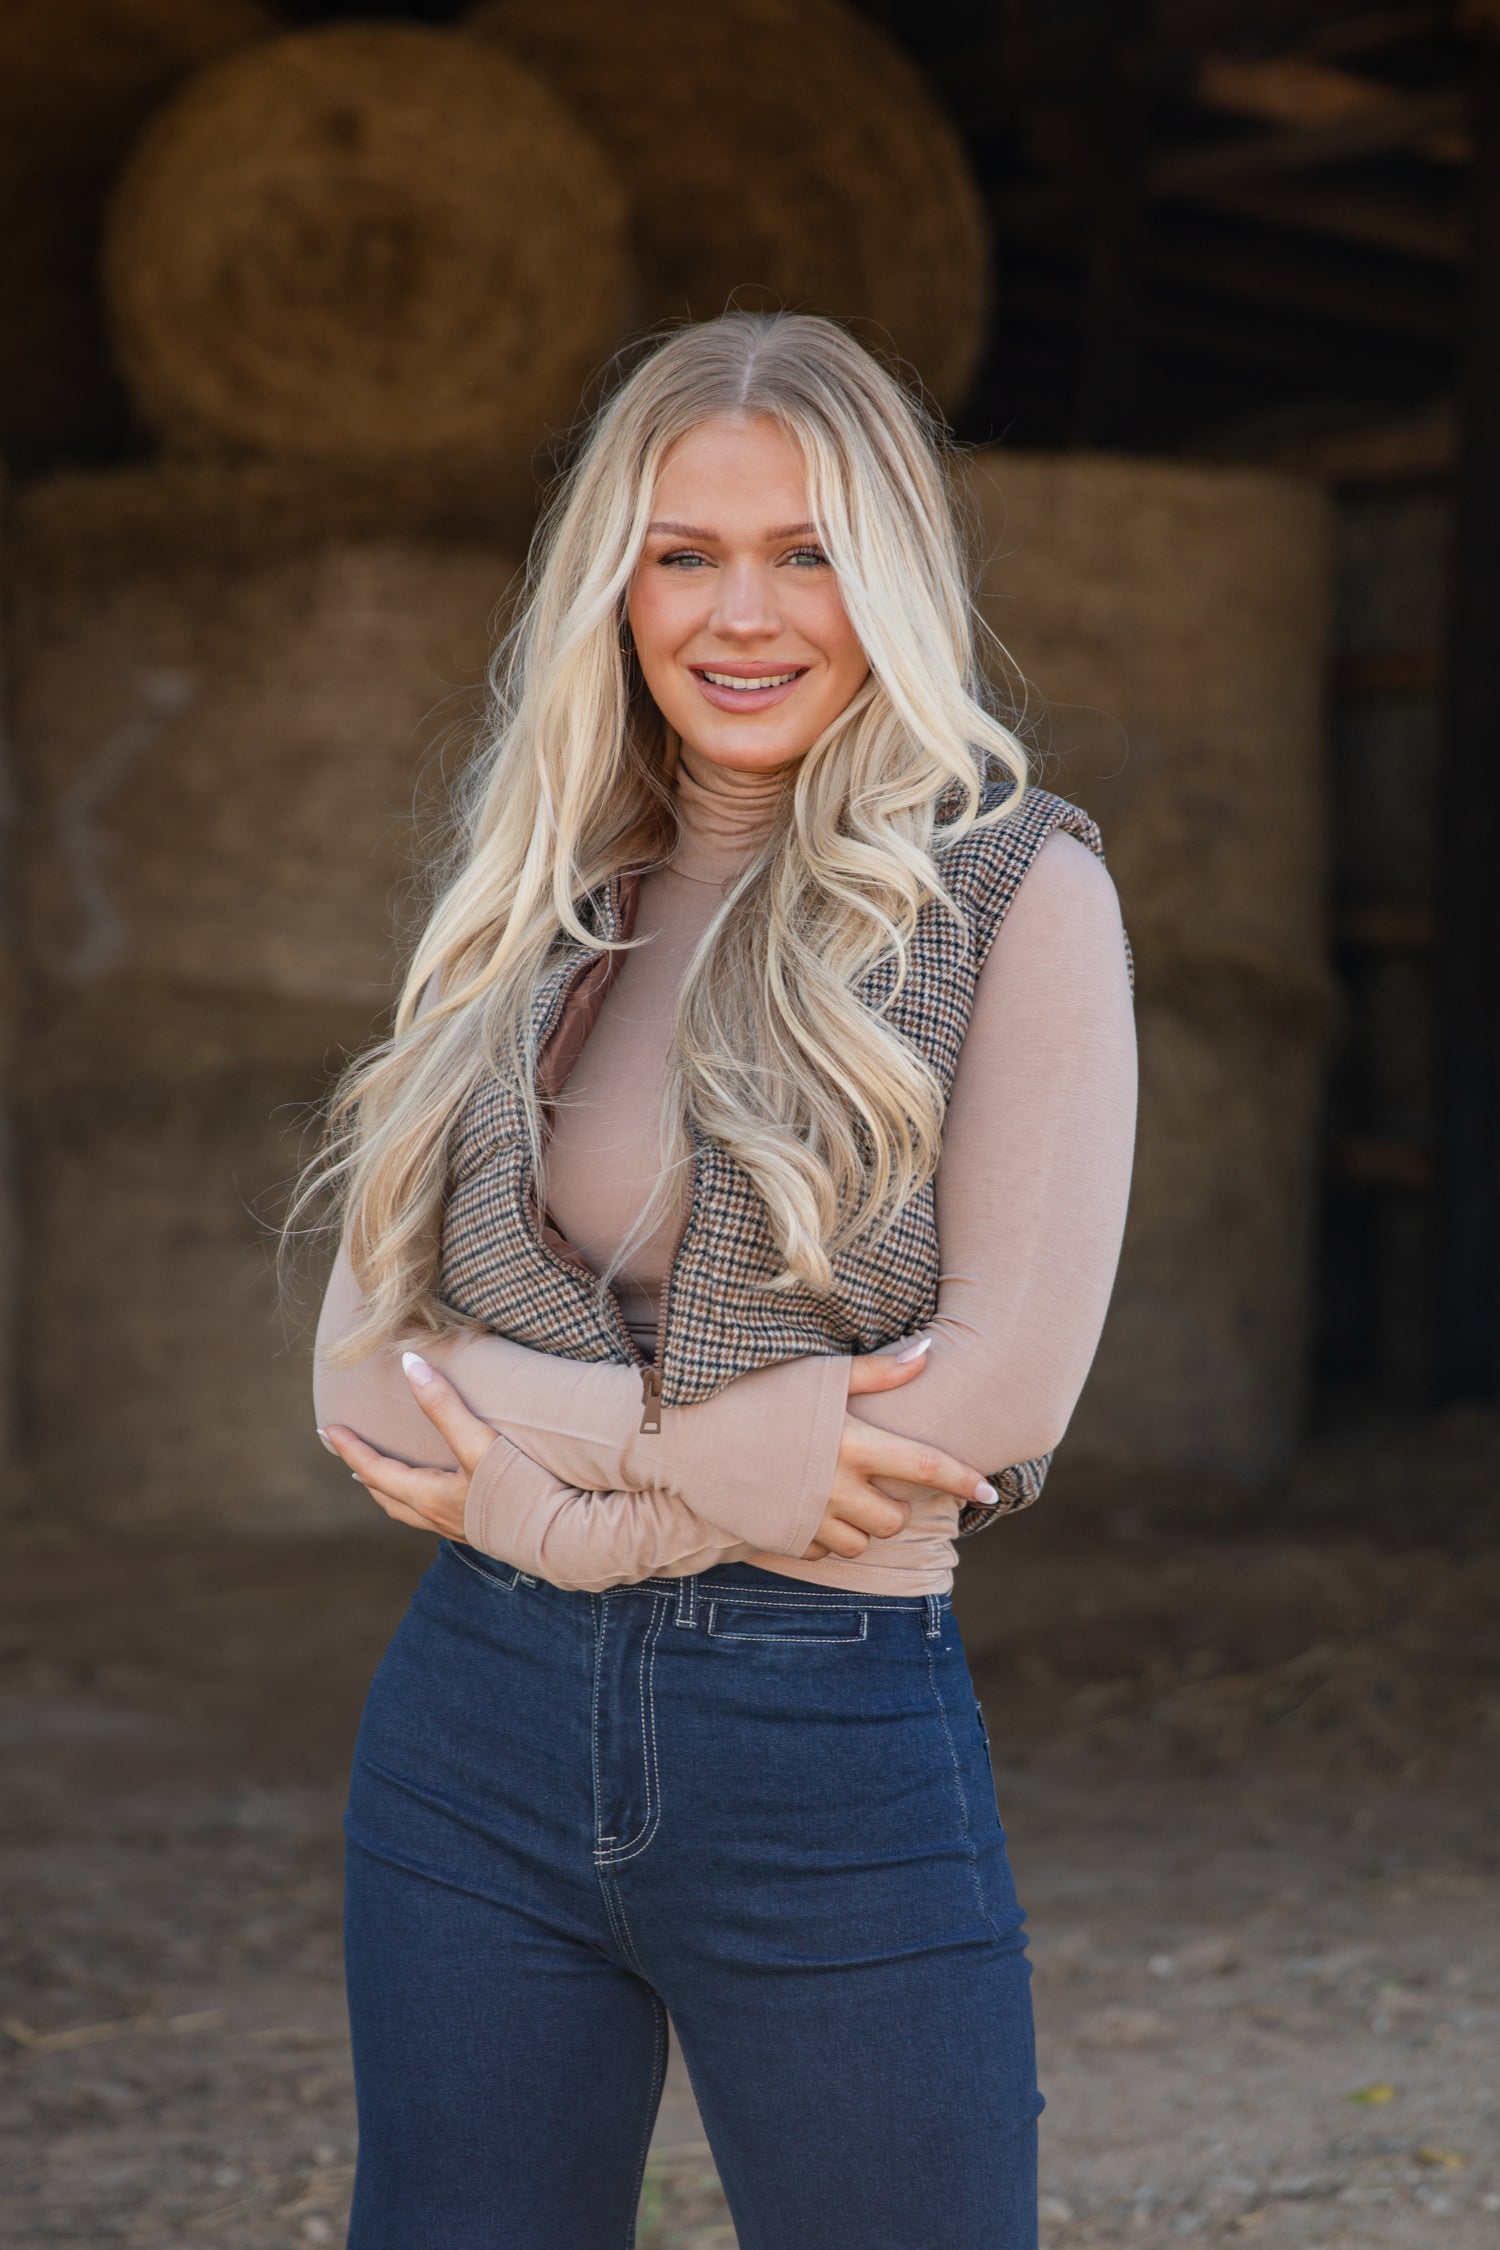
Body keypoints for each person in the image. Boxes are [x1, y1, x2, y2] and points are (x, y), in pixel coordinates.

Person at [303, 311, 1137, 2250]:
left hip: (828, 1739)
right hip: (475, 1730)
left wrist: (517, 1448)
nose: (739, 615)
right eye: (685, 553)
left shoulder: (1015, 892)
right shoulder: (535, 898)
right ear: (616, 582)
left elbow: (999, 1402)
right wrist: (723, 1465)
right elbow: (358, 1385)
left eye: (807, 551)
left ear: (894, 580)